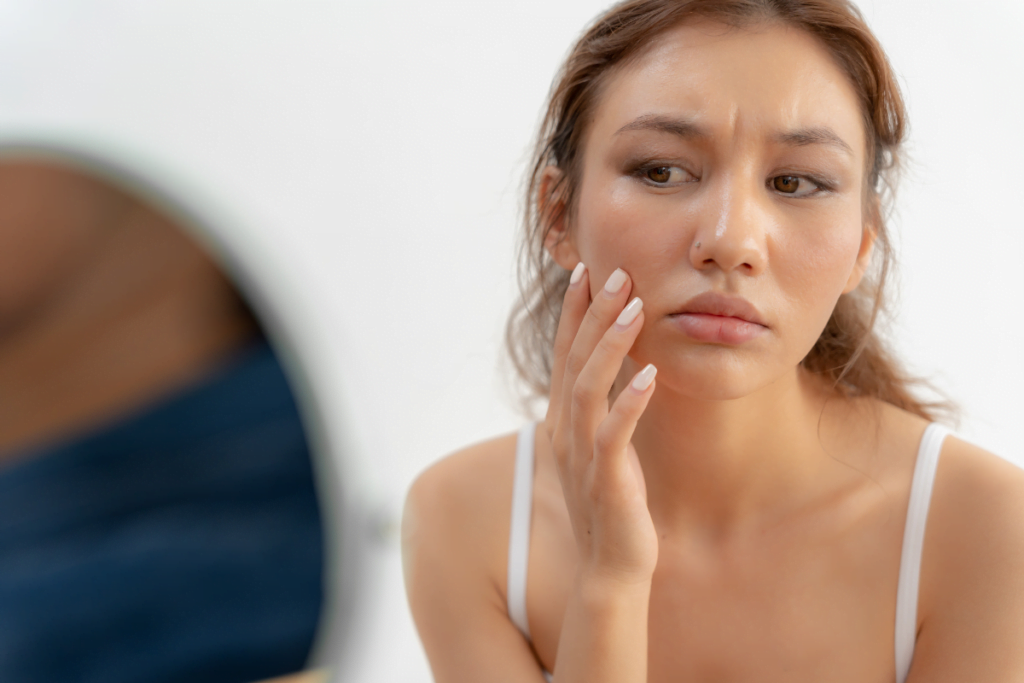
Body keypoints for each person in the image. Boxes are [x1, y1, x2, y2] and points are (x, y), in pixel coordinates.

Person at [400, 0, 1024, 681]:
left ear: (860, 249)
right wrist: (609, 582)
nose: (730, 239)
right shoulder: (465, 522)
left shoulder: (983, 529)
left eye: (796, 182)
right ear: (559, 213)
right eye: (662, 171)